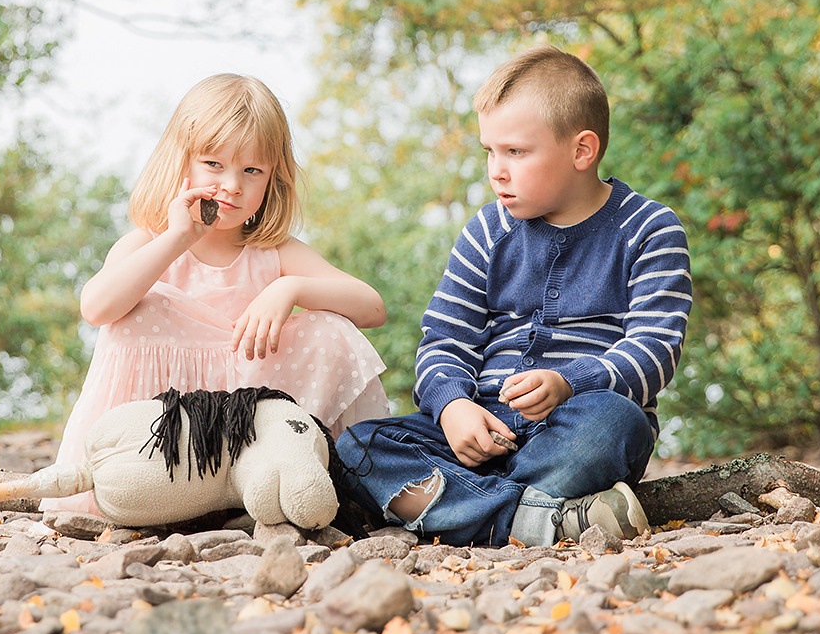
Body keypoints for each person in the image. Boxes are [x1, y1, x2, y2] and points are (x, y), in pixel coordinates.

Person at [335, 46, 691, 547]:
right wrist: (453, 407)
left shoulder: (649, 229)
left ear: (581, 151)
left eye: (516, 153)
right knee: (359, 446)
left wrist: (569, 382)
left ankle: (464, 511)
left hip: (572, 430)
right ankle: (537, 518)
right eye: (489, 151)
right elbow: (444, 340)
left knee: (616, 423)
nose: (496, 171)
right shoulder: (486, 230)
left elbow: (655, 348)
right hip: (478, 431)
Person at [46, 74, 391, 514]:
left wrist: (290, 287)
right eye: (214, 165)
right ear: (182, 163)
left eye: (252, 171)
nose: (232, 185)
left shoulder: (273, 252)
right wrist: (176, 238)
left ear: (272, 179)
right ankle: (154, 492)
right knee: (136, 310)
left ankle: (316, 477)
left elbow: (372, 307)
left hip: (252, 432)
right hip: (166, 445)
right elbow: (96, 308)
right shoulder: (149, 245)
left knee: (329, 327)